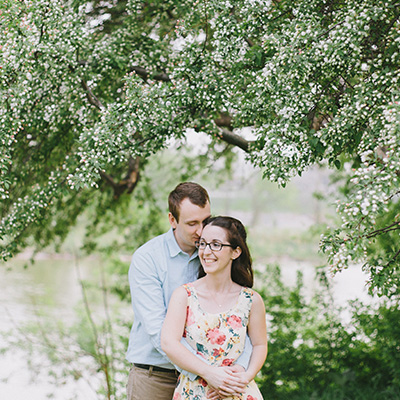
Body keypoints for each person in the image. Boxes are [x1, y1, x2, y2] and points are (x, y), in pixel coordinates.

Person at [126, 183, 251, 400]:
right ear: (172, 220)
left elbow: (241, 317)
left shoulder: (217, 255)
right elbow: (159, 332)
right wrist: (206, 371)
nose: (201, 231)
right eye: (192, 223)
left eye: (206, 220)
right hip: (156, 378)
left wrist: (238, 370)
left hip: (215, 382)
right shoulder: (147, 259)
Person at [161, 216, 268, 400]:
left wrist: (244, 378)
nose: (206, 251)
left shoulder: (251, 300)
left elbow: (259, 345)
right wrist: (210, 374)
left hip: (237, 391)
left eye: (216, 244)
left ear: (235, 252)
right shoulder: (184, 295)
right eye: (203, 244)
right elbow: (169, 343)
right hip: (194, 393)